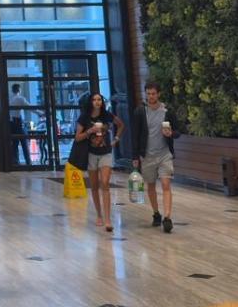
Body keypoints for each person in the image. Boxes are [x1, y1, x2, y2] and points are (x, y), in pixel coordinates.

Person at [132, 82, 181, 233]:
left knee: (166, 184)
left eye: (153, 93)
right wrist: (135, 156)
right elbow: (135, 135)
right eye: (148, 94)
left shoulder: (167, 111)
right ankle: (156, 213)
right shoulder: (140, 112)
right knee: (151, 185)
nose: (151, 96)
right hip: (147, 155)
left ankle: (167, 217)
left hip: (164, 154)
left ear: (158, 94)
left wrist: (171, 133)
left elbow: (178, 131)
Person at [74, 92, 123, 232]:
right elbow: (77, 137)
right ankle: (99, 215)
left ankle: (108, 219)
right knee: (94, 185)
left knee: (105, 183)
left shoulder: (107, 115)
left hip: (105, 152)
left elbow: (121, 125)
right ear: (90, 102)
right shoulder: (84, 117)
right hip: (91, 154)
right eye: (94, 100)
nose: (97, 102)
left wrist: (116, 139)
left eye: (99, 99)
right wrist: (90, 131)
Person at [8, 83, 32, 166]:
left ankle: (16, 163)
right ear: (19, 90)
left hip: (11, 123)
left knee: (14, 144)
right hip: (18, 122)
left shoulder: (9, 99)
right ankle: (28, 163)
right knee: (24, 143)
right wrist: (40, 113)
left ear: (12, 90)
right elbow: (30, 107)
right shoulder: (20, 99)